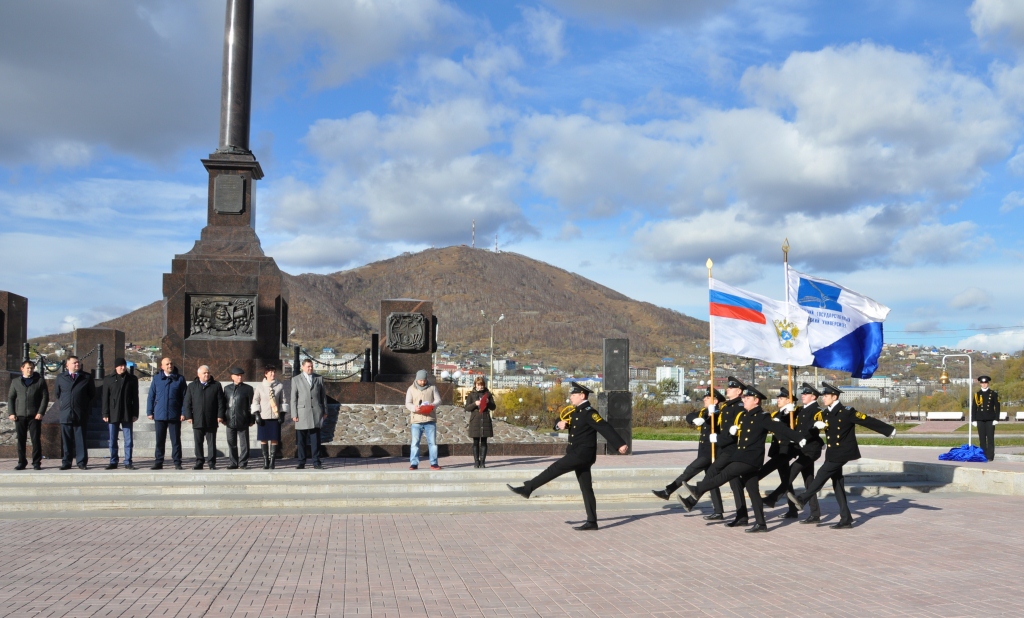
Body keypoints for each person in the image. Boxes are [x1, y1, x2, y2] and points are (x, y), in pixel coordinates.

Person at [677, 385, 805, 533]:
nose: (744, 399)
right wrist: (718, 436)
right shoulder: (744, 416)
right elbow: (730, 433)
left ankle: (698, 490)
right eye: (744, 397)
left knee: (725, 474)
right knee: (752, 491)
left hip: (750, 459)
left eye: (747, 398)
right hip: (742, 457)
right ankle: (760, 523)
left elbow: (781, 429)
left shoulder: (762, 417)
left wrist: (799, 438)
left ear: (756, 400)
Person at [507, 382, 629, 531]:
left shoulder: (590, 412)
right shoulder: (574, 411)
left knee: (554, 468)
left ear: (582, 395)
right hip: (577, 453)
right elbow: (558, 421)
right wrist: (560, 425)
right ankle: (592, 522)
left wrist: (619, 444)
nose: (571, 397)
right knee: (586, 488)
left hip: (582, 454)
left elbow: (605, 427)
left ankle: (528, 488)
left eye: (574, 394)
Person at [787, 382, 895, 529]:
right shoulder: (824, 413)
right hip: (832, 453)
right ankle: (846, 519)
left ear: (834, 396)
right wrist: (812, 428)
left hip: (843, 452)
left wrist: (888, 430)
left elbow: (867, 420)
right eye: (823, 395)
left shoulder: (847, 412)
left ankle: (802, 498)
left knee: (822, 473)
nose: (823, 398)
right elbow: (808, 426)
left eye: (826, 396)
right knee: (837, 484)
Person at [651, 388, 725, 520]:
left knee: (689, 471)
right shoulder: (704, 412)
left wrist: (710, 416)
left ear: (715, 400)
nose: (704, 399)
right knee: (710, 482)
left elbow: (719, 426)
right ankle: (716, 511)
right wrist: (695, 419)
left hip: (712, 453)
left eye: (707, 398)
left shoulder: (720, 414)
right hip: (703, 452)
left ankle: (668, 491)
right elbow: (689, 416)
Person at [764, 383, 825, 523]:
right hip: (801, 449)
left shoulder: (817, 410)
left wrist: (820, 440)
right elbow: (793, 427)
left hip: (809, 450)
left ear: (813, 396)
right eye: (802, 394)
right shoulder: (801, 410)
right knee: (809, 481)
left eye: (806, 394)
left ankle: (773, 498)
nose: (802, 395)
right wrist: (786, 413)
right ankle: (814, 513)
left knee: (792, 472)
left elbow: (817, 426)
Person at [755, 386, 799, 519]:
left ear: (788, 400)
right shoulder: (776, 414)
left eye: (781, 398)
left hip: (785, 451)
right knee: (786, 480)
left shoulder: (793, 414)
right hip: (777, 450)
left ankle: (752, 484)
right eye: (778, 397)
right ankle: (792, 510)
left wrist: (788, 417)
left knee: (763, 472)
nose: (778, 400)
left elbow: (792, 431)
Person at [54, 356, 96, 470]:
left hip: (80, 413)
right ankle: (66, 462)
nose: (77, 365)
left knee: (80, 439)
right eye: (74, 363)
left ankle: (81, 462)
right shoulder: (60, 377)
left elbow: (92, 394)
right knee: (66, 440)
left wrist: (85, 407)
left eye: (78, 363)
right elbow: (57, 394)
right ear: (67, 365)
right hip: (66, 412)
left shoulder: (86, 377)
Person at [7, 360, 48, 470]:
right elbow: (11, 397)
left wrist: (40, 412)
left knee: (35, 440)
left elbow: (45, 397)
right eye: (28, 368)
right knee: (21, 440)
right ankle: (21, 462)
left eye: (31, 368)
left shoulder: (39, 381)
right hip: (19, 415)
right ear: (22, 368)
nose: (30, 370)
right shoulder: (15, 382)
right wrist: (11, 412)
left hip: (34, 415)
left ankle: (36, 462)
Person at [147, 357, 186, 470]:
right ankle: (159, 462)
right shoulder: (156, 379)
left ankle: (177, 462)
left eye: (171, 363)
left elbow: (185, 398)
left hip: (174, 415)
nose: (170, 366)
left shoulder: (180, 379)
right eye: (167, 364)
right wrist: (150, 411)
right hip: (159, 415)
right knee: (160, 440)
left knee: (176, 441)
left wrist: (183, 412)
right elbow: (151, 396)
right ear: (162, 366)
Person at [183, 365, 224, 470]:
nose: (207, 374)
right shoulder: (192, 386)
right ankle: (199, 461)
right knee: (198, 442)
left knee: (211, 442)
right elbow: (187, 402)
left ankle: (211, 462)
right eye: (204, 373)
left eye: (208, 373)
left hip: (211, 419)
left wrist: (220, 415)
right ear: (198, 374)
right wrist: (188, 416)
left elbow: (221, 402)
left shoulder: (216, 385)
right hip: (197, 419)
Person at [101, 357, 139, 470]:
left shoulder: (132, 379)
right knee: (112, 439)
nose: (122, 367)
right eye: (120, 365)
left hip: (127, 413)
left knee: (128, 440)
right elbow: (105, 398)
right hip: (113, 413)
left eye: (124, 365)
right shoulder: (108, 379)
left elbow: (135, 398)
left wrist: (135, 413)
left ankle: (128, 461)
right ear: (116, 367)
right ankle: (113, 461)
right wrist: (105, 413)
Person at [292, 358, 327, 470]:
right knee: (301, 440)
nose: (310, 368)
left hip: (316, 413)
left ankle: (316, 462)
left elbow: (323, 397)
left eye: (311, 366)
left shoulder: (319, 378)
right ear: (302, 367)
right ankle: (301, 462)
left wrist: (325, 411)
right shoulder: (296, 379)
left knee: (315, 439)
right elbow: (293, 398)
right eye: (308, 366)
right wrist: (294, 414)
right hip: (301, 413)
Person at [406, 369, 442, 470]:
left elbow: (438, 400)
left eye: (424, 380)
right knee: (415, 443)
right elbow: (407, 403)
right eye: (420, 380)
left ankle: (434, 463)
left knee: (432, 443)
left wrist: (432, 405)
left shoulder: (432, 388)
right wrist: (414, 408)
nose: (422, 382)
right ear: (417, 379)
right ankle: (414, 463)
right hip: (416, 420)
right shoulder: (411, 389)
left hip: (429, 419)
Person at [252, 365, 286, 469]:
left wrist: (282, 413)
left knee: (274, 439)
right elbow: (255, 400)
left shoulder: (279, 386)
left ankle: (273, 461)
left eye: (274, 372)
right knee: (264, 439)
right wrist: (257, 414)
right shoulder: (260, 387)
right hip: (263, 416)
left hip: (275, 417)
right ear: (265, 374)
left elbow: (283, 401)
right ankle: (265, 460)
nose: (272, 374)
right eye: (270, 372)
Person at [220, 367, 254, 469]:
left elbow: (251, 405)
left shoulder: (248, 389)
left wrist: (251, 419)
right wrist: (223, 418)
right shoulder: (227, 389)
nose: (240, 377)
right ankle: (233, 463)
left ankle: (243, 462)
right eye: (237, 375)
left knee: (244, 444)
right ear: (232, 377)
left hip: (243, 420)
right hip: (230, 420)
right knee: (231, 443)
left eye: (241, 375)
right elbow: (223, 404)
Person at [464, 376, 496, 468]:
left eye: (482, 385)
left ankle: (482, 462)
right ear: (475, 385)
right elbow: (467, 408)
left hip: (485, 419)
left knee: (484, 442)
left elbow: (493, 407)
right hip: (475, 420)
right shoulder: (471, 395)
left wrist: (488, 402)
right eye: (478, 385)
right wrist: (475, 404)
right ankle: (476, 462)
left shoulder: (488, 394)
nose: (480, 387)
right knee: (475, 442)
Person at [971, 376, 1000, 462]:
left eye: (985, 383)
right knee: (982, 439)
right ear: (980, 384)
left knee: (990, 438)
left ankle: (990, 456)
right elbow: (974, 408)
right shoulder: (977, 394)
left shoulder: (993, 393)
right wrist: (973, 420)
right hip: (980, 419)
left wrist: (996, 419)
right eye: (982, 383)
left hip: (990, 419)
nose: (984, 385)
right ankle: (983, 455)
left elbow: (997, 407)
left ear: (988, 383)